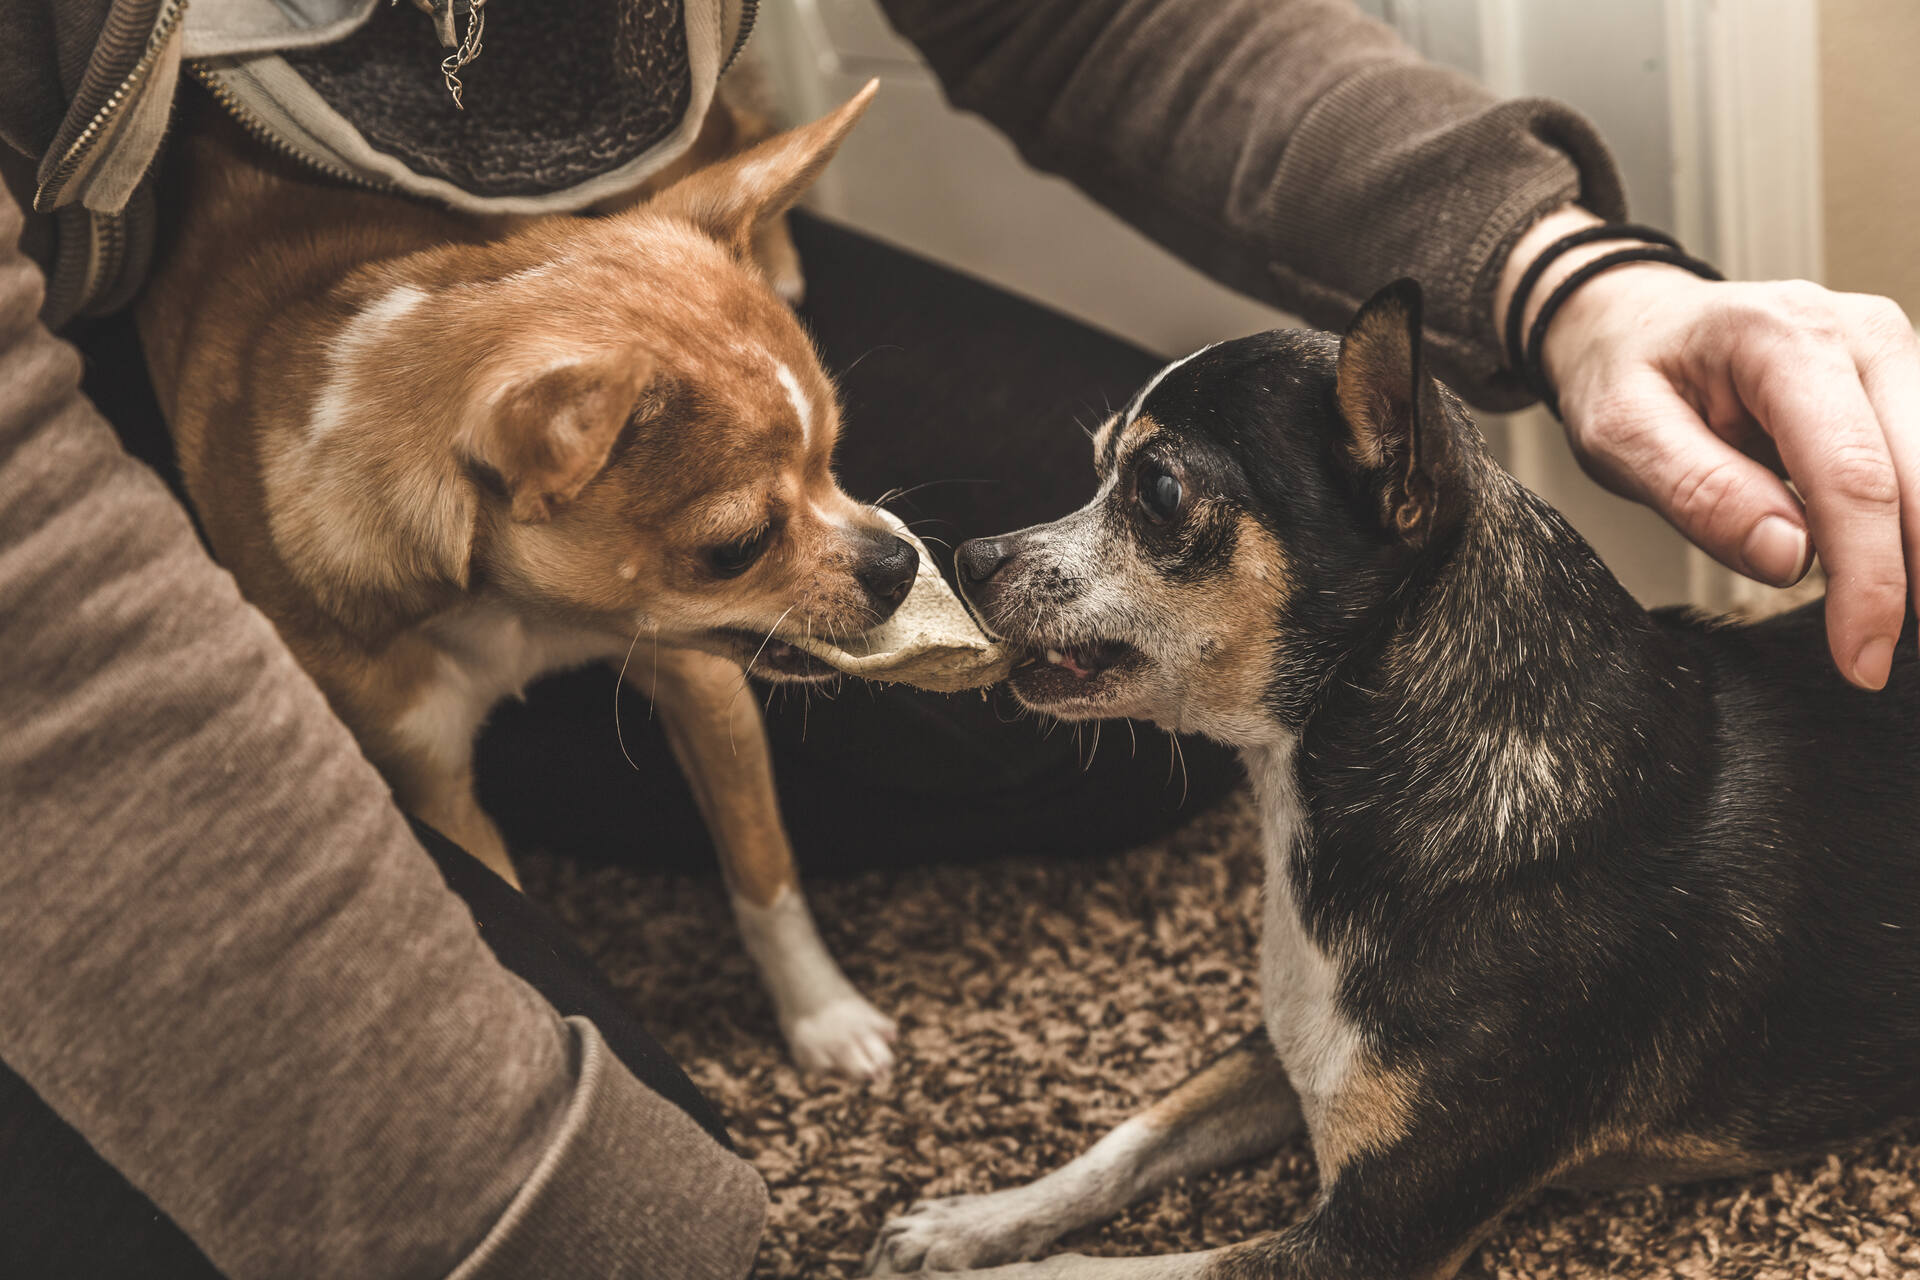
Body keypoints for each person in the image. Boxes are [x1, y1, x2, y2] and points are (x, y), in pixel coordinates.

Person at [1, 2, 1914, 1277]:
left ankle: (584, 720)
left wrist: (1557, 265)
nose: (923, 560)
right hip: (98, 477)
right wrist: (514, 1184)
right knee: (589, 1199)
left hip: (626, 304)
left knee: (1030, 720)